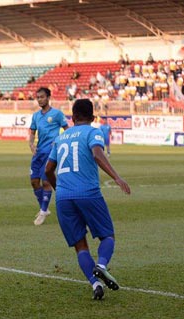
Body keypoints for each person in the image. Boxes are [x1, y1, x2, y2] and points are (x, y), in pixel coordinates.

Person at [45, 99, 131, 300]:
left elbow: (48, 170)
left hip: (64, 198)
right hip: (88, 193)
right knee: (107, 236)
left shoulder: (61, 138)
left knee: (80, 245)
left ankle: (95, 284)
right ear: (92, 118)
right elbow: (97, 154)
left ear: (72, 117)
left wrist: (59, 190)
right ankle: (101, 266)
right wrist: (117, 177)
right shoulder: (93, 132)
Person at [29, 87, 68, 226]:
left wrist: (59, 141)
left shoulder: (57, 114)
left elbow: (67, 130)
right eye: (37, 97)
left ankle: (43, 210)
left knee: (46, 182)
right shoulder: (36, 116)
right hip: (39, 152)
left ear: (48, 97)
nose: (39, 99)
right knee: (34, 181)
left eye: (42, 97)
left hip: (51, 152)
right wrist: (31, 144)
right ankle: (43, 208)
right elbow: (32, 132)